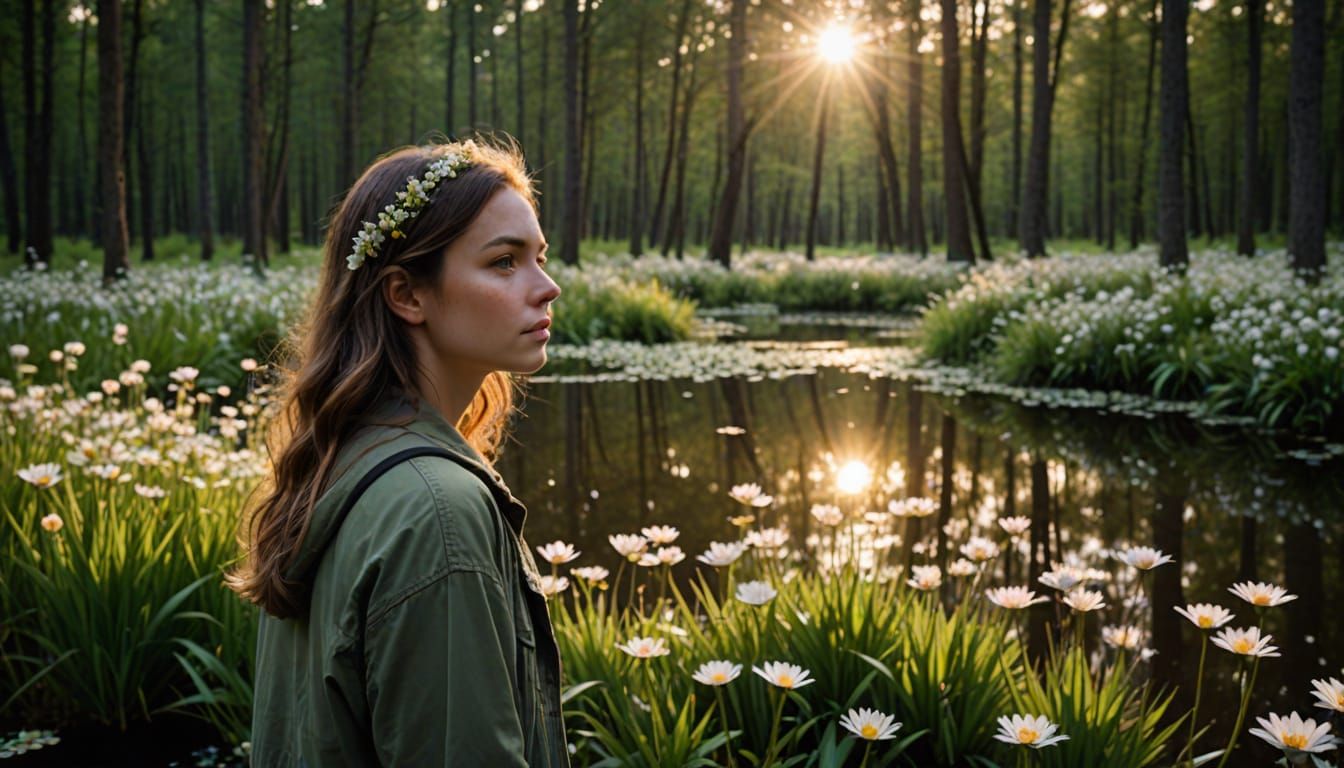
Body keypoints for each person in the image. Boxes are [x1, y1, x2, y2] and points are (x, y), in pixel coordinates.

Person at [228, 138, 569, 767]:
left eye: (540, 258)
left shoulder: (342, 459)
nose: (546, 287)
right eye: (504, 262)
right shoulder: (439, 514)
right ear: (406, 294)